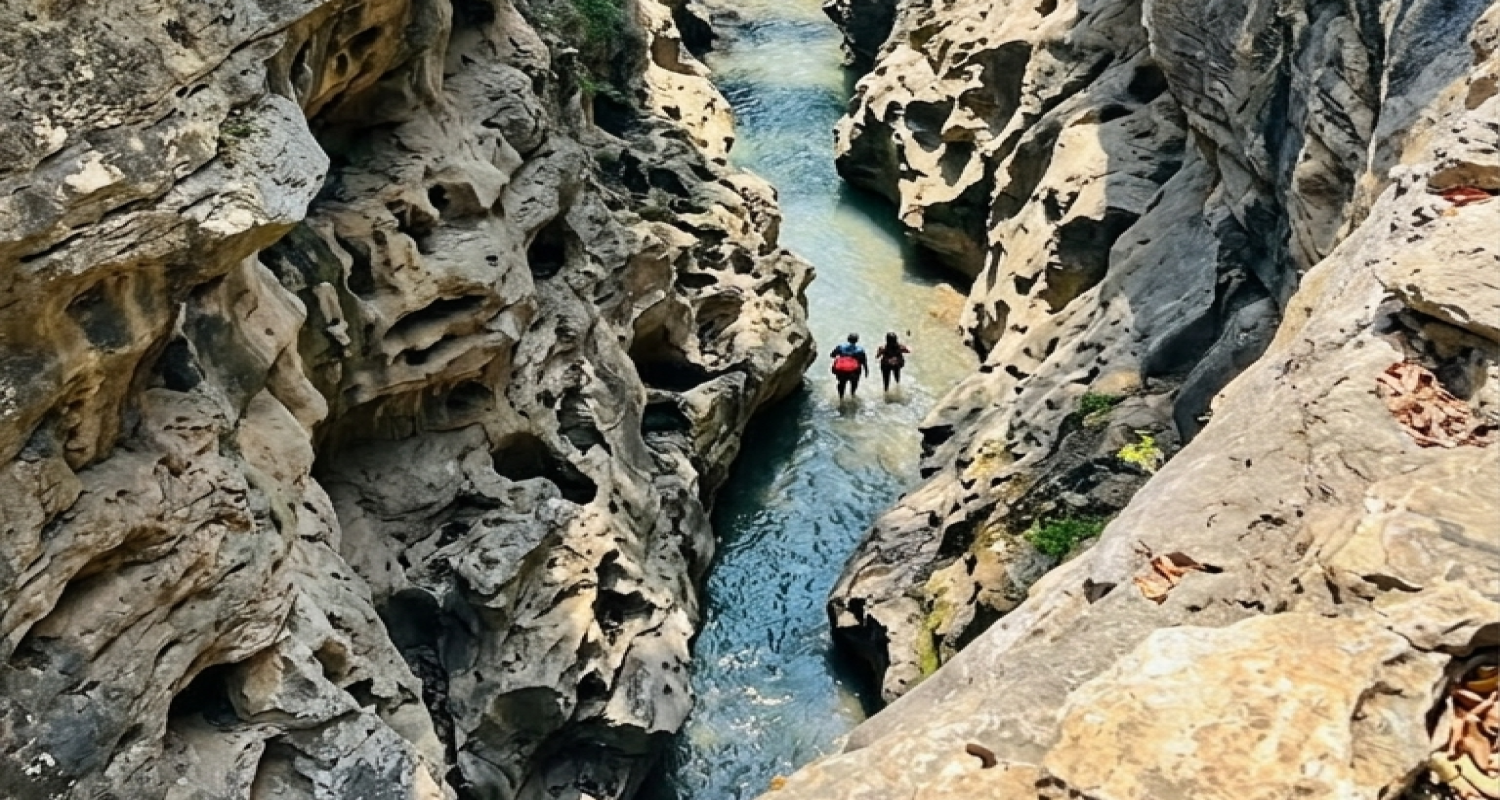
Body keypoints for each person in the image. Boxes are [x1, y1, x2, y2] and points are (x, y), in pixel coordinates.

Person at [829, 333, 868, 400]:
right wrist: (866, 371)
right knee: (854, 384)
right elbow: (863, 362)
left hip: (842, 371)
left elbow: (832, 355)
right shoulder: (860, 350)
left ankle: (841, 398)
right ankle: (852, 395)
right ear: (857, 340)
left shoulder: (840, 347)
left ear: (848, 339)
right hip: (854, 372)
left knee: (842, 383)